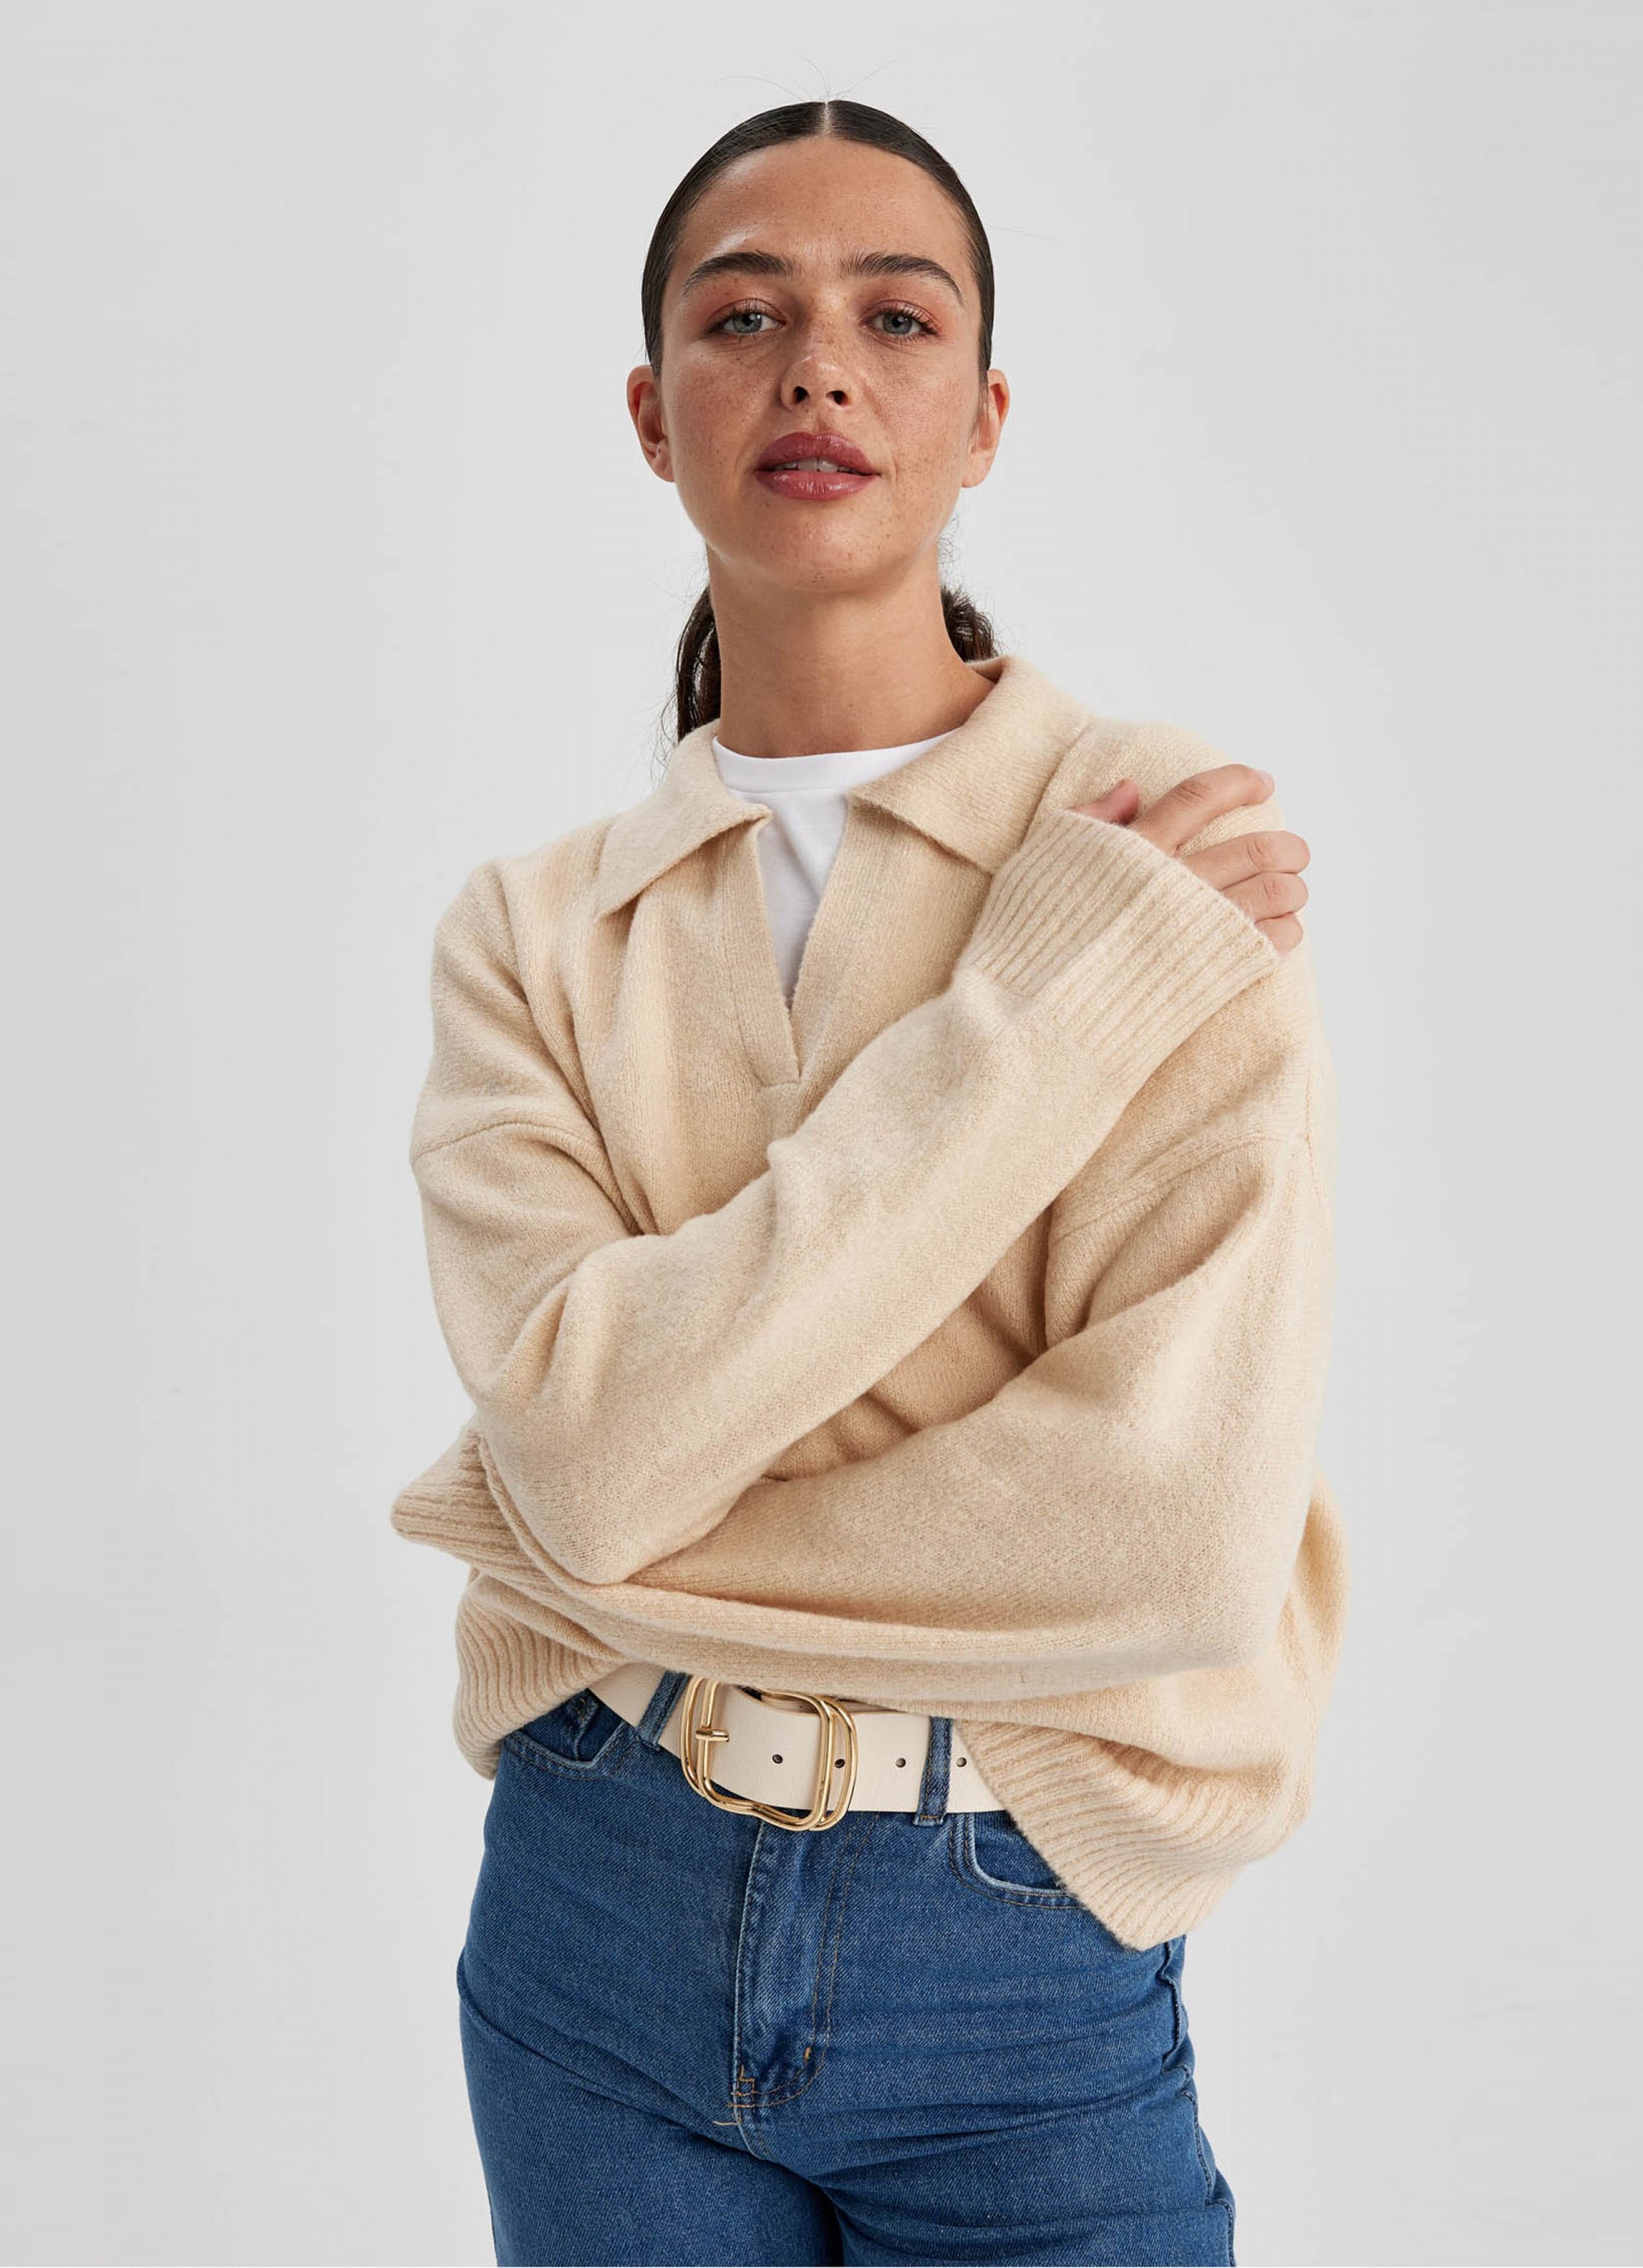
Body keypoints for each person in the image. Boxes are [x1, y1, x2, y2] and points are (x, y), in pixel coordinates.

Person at [391, 97, 1346, 2268]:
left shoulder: (1164, 847)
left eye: (893, 317)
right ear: (653, 415)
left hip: (1017, 1936)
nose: (817, 365)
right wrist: (1049, 1019)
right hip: (594, 1908)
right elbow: (585, 1447)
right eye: (744, 316)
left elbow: (1168, 1530)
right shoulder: (533, 933)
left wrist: (605, 1525)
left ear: (983, 412)